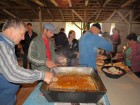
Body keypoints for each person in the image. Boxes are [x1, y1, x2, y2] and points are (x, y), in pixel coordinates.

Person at [0, 19, 55, 105]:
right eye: (22, 34)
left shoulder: (8, 45)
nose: (23, 38)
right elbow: (13, 73)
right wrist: (42, 74)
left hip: (7, 97)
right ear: (11, 30)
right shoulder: (2, 45)